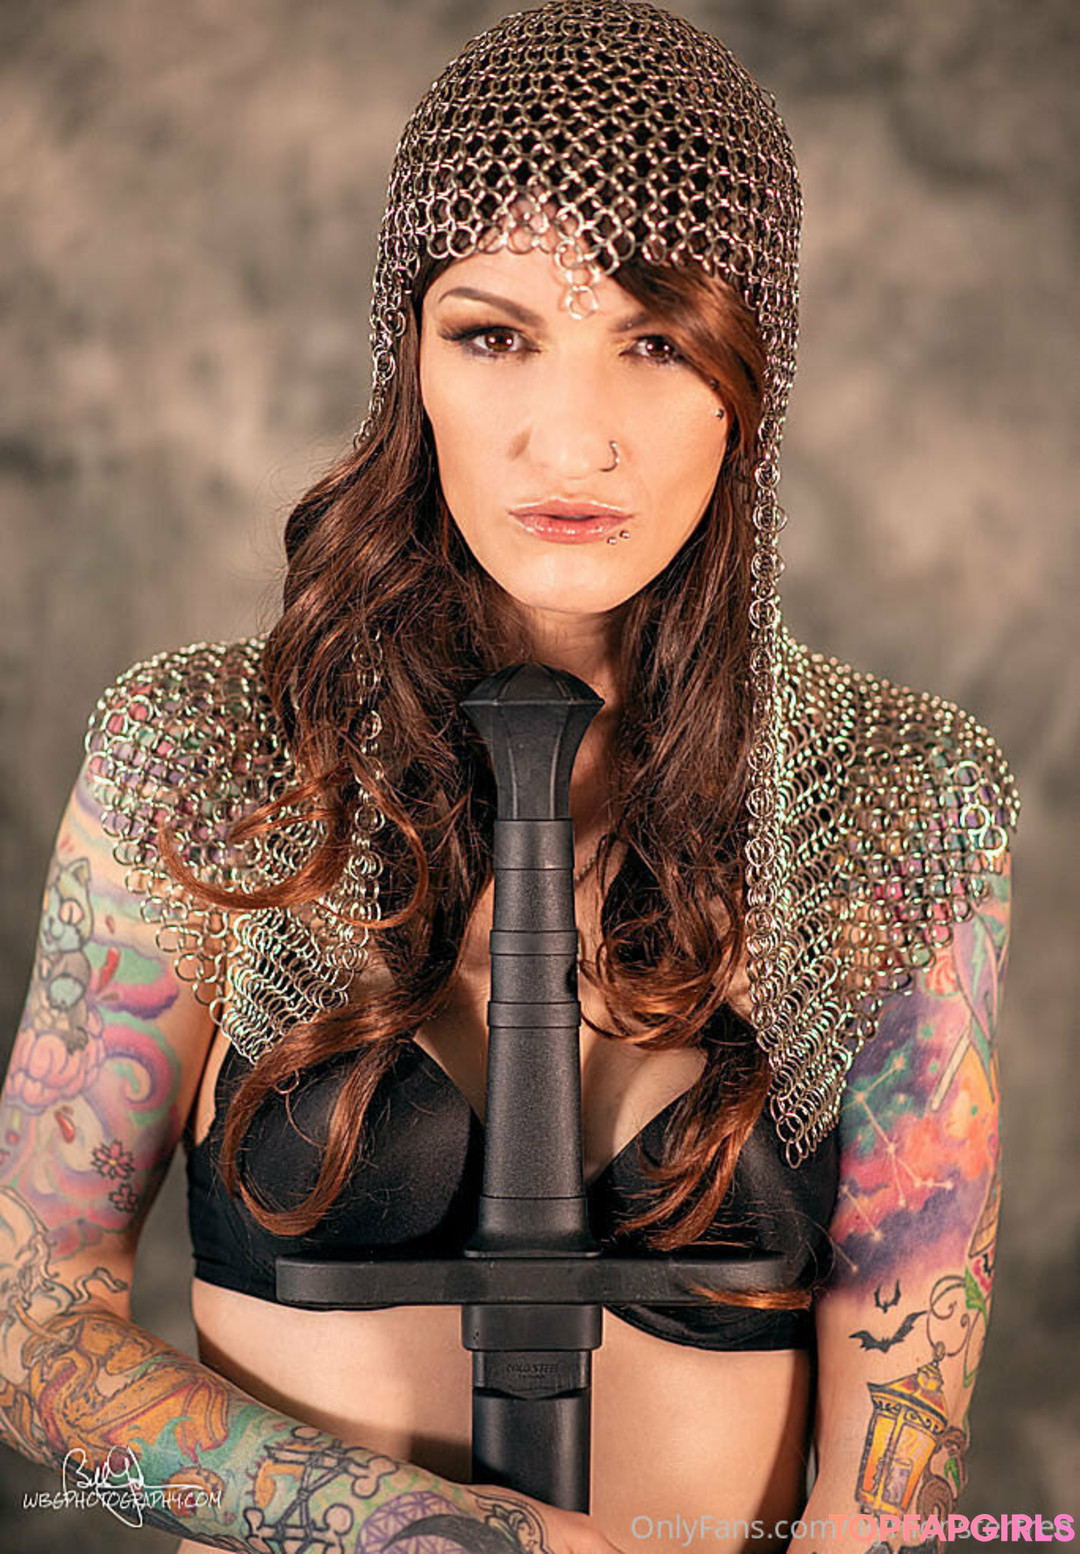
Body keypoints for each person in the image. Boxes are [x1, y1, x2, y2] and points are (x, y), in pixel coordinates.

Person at [0, 3, 1018, 1552]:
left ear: (752, 376)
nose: (572, 436)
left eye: (655, 341)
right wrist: (444, 1535)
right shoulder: (202, 758)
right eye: (494, 334)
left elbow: (900, 1446)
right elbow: (29, 1323)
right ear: (409, 358)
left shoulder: (901, 801)